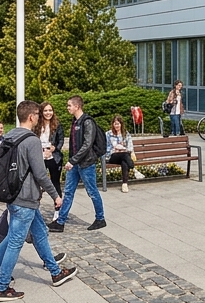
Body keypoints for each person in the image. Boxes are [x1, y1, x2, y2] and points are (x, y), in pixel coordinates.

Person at [0, 100, 77, 302]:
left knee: (40, 233)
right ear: (31, 117)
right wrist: (56, 195)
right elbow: (41, 174)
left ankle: (55, 272)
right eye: (37, 114)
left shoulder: (10, 135)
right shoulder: (32, 140)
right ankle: (1, 288)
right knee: (16, 242)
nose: (38, 118)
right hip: (25, 198)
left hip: (14, 195)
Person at [51, 96, 106, 232]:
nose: (67, 108)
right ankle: (60, 222)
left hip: (86, 163)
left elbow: (87, 145)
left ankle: (100, 219)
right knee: (68, 192)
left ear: (77, 106)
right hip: (75, 163)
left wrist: (72, 160)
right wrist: (72, 160)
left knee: (92, 191)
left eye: (69, 105)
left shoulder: (87, 122)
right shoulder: (75, 122)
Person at [106, 114, 137, 193]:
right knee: (125, 155)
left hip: (124, 156)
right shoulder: (108, 134)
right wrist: (115, 149)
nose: (117, 126)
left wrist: (123, 149)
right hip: (112, 156)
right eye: (115, 124)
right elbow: (106, 149)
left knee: (124, 161)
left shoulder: (126, 134)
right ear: (113, 124)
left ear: (121, 124)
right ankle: (133, 168)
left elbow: (130, 147)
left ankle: (124, 184)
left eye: (118, 124)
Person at [36, 103, 64, 189]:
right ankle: (36, 201)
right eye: (45, 110)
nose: (48, 113)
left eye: (50, 110)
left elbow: (61, 140)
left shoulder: (57, 124)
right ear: (41, 112)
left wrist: (54, 148)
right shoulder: (36, 124)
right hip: (39, 155)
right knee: (37, 182)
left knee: (55, 183)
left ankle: (58, 201)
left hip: (53, 156)